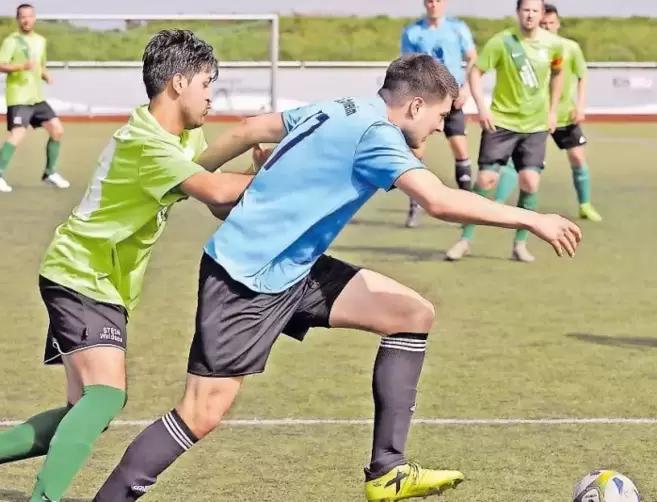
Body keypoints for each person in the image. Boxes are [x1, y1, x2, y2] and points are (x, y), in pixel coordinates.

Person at [90, 54, 582, 502]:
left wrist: (190, 178)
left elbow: (247, 130)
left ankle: (387, 471)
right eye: (440, 116)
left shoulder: (341, 107)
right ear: (414, 106)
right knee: (200, 413)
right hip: (248, 277)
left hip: (293, 266)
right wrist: (530, 218)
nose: (439, 127)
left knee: (411, 313)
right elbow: (438, 201)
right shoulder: (378, 137)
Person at [0, 29, 257, 502]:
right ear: (178, 83)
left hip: (103, 281)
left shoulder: (184, 135)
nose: (213, 94)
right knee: (105, 396)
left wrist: (253, 172)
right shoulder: (147, 143)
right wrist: (279, 169)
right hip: (80, 272)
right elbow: (216, 191)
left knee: (79, 412)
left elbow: (217, 202)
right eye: (207, 82)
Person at [444, 0, 566, 263]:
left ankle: (520, 244)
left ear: (542, 14)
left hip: (535, 125)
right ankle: (464, 239)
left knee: (530, 182)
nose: (530, 15)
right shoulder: (502, 42)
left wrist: (553, 110)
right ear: (518, 13)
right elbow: (476, 72)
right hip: (501, 122)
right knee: (486, 180)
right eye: (526, 10)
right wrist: (482, 107)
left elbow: (558, 73)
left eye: (535, 10)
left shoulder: (554, 44)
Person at [493, 3, 602, 222]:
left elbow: (582, 76)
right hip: (535, 116)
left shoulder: (570, 48)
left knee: (578, 158)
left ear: (558, 24)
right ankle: (496, 205)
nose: (548, 27)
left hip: (563, 115)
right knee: (517, 163)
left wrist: (580, 105)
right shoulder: (528, 47)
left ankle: (585, 205)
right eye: (544, 23)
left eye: (552, 23)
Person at [400, 0, 478, 227]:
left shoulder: (457, 28)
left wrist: (465, 89)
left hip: (451, 100)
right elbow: (407, 65)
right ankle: (415, 207)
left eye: (438, 1)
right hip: (423, 101)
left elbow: (473, 57)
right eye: (430, 1)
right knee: (416, 152)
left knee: (460, 148)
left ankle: (469, 207)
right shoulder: (413, 31)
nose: (434, 4)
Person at [0, 3, 70, 193]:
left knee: (57, 130)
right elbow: (0, 65)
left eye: (29, 16)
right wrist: (21, 67)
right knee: (18, 134)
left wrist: (45, 75)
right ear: (18, 20)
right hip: (18, 96)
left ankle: (50, 173)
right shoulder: (11, 41)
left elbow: (39, 65)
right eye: (22, 17)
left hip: (37, 97)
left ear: (34, 18)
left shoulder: (41, 41)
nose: (26, 20)